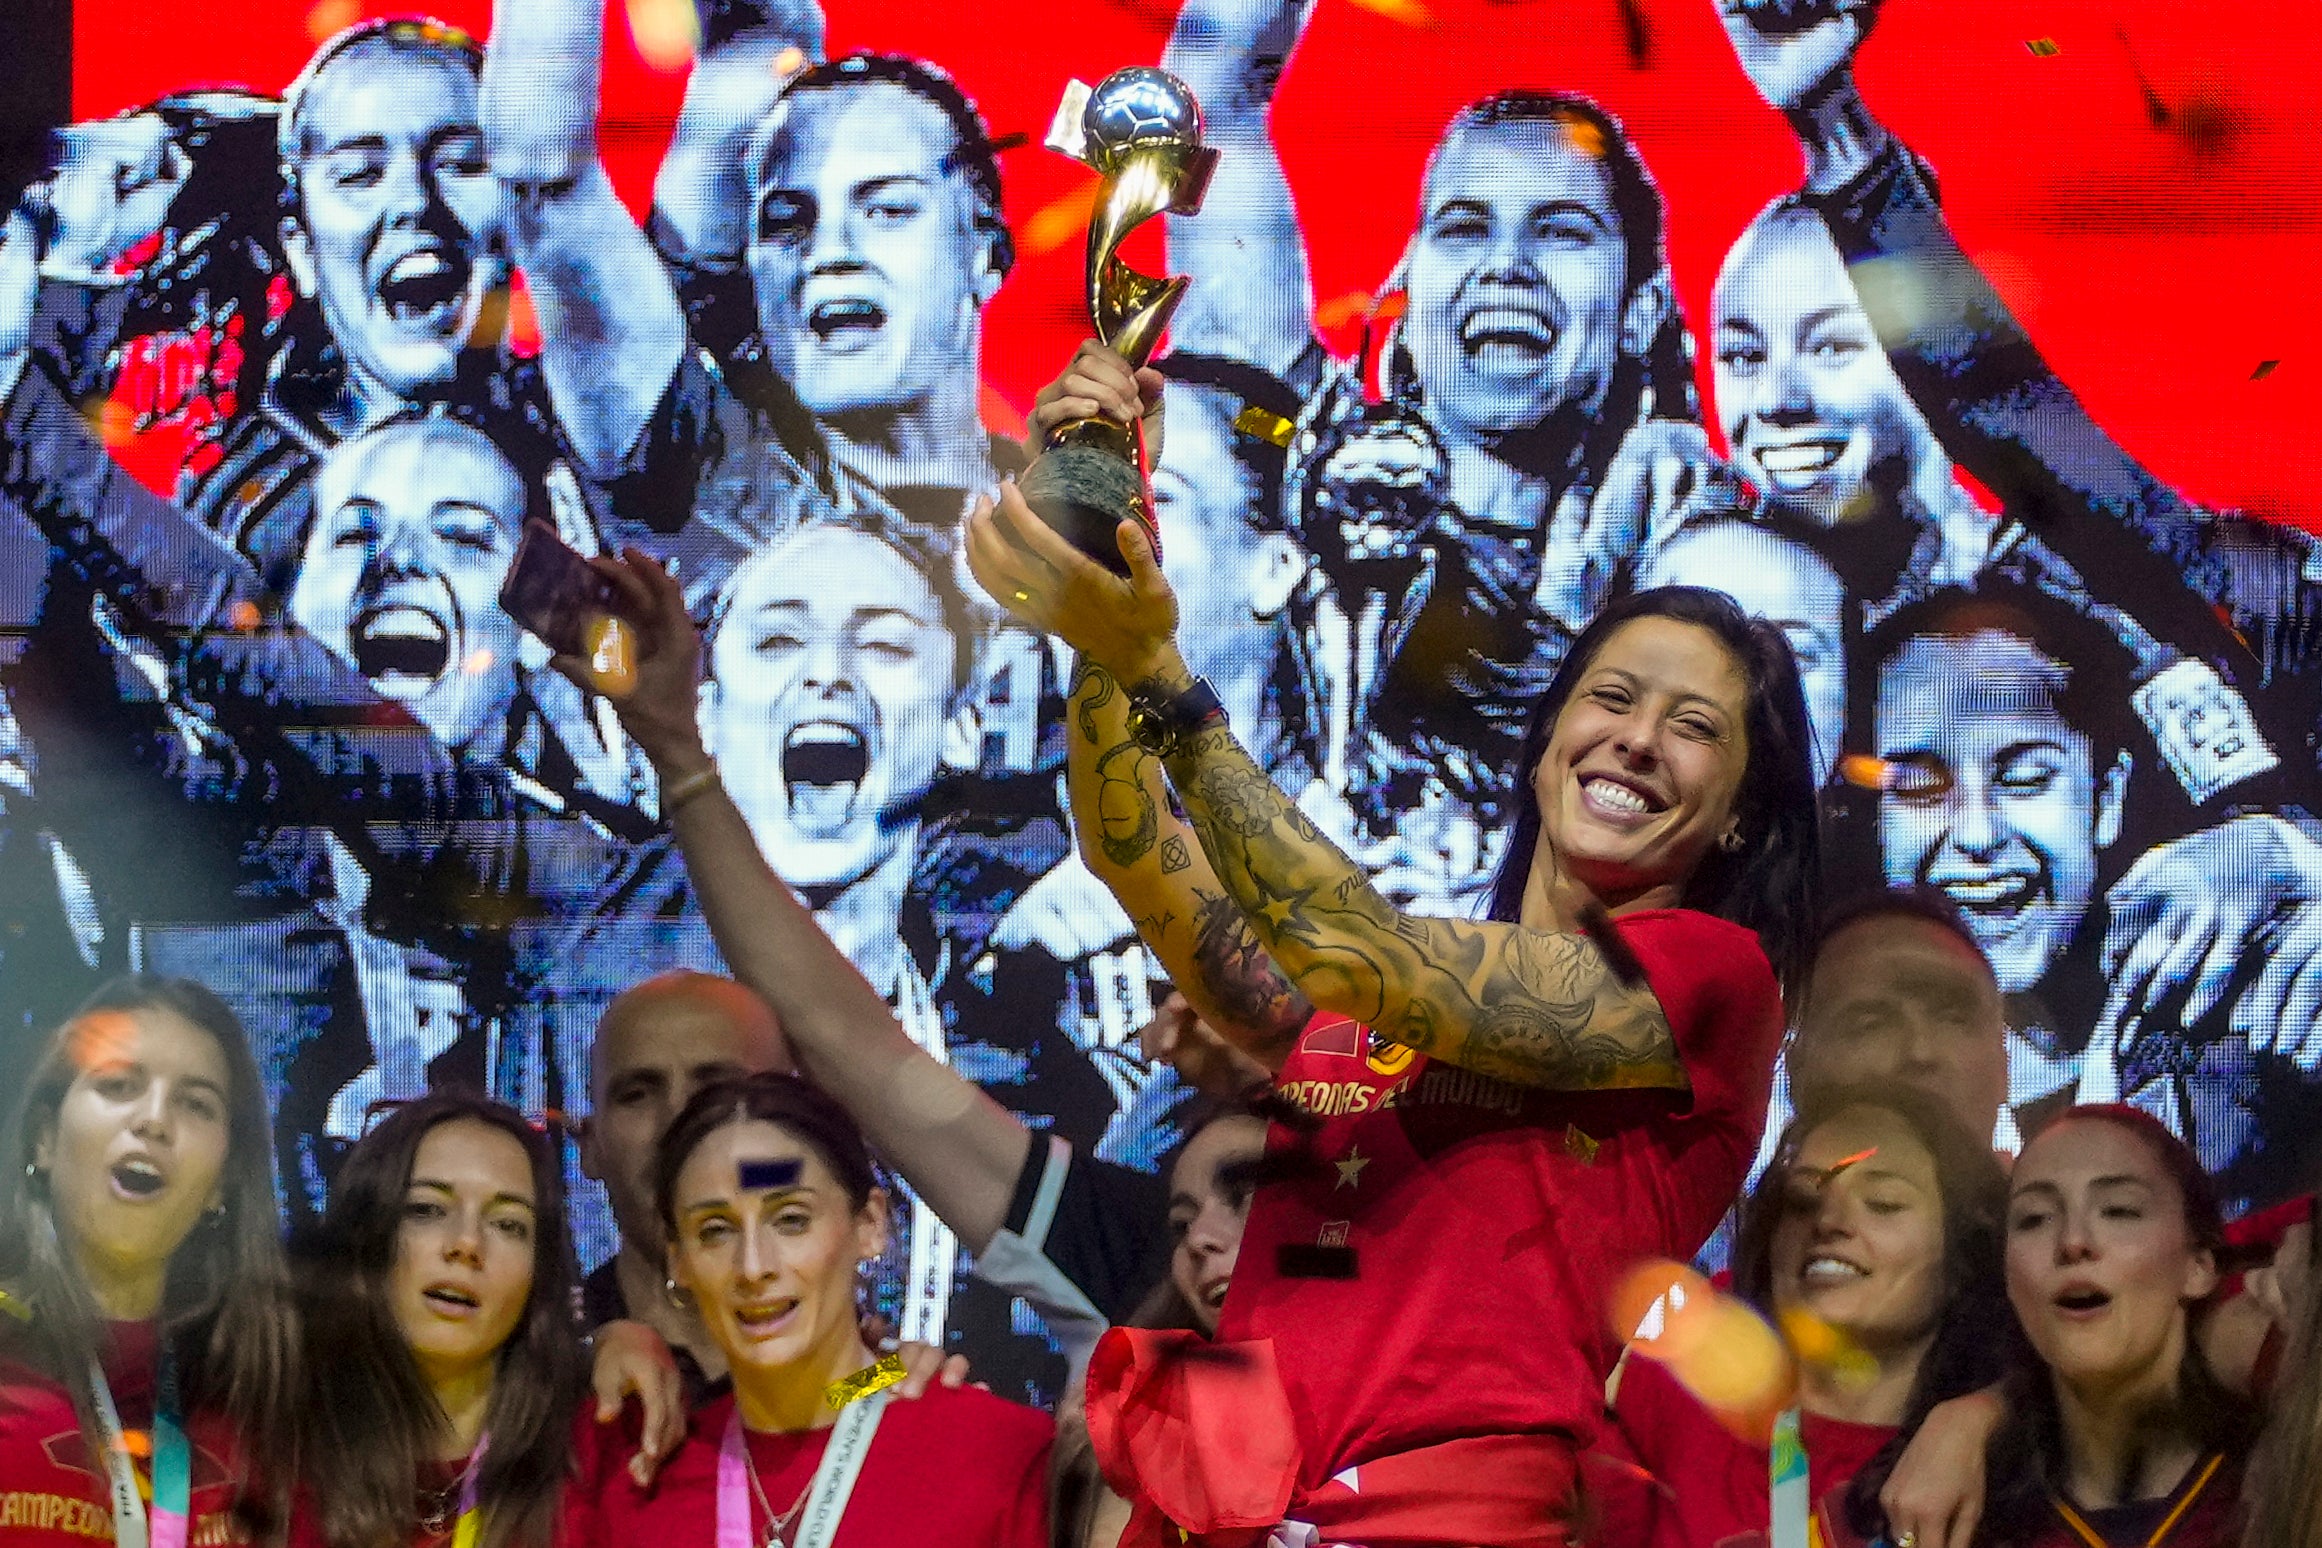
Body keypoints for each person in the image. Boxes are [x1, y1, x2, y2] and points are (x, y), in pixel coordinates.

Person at [972, 437, 1819, 1541]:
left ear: (1743, 811)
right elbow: (1134, 853)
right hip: (1237, 1501)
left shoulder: (1711, 976)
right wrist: (1103, 615)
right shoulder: (1367, 1014)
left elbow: (1355, 949)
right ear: (1546, 743)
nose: (1640, 740)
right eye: (1612, 698)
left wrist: (1165, 679)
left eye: (1697, 727)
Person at [568, 543, 1239, 1411]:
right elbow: (842, 1037)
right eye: (777, 643)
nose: (1212, 1239)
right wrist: (680, 761)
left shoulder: (1428, 1239)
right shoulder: (1127, 1244)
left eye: (883, 645)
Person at [1161, 0, 1735, 794]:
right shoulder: (1295, 466)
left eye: (1562, 230)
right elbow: (1203, 96)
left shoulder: (1697, 560)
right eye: (1463, 227)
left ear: (1641, 309)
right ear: (1407, 288)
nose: (1506, 267)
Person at [1865, 583, 2322, 1206]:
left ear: (2106, 799)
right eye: (1919, 787)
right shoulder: (1809, 1084)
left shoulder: (2247, 1009)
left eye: (2025, 778)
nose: (1976, 834)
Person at [571, 1071, 1051, 1544]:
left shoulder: (1000, 1457)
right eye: (716, 1229)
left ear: (869, 1224)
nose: (754, 1266)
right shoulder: (640, 1482)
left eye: (791, 1220)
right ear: (679, 1258)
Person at [1614, 1085, 2011, 1548]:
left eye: (1883, 1203)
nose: (1829, 1221)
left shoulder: (2002, 1469)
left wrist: (1987, 1415)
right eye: (1802, 1201)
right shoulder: (1690, 1359)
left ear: (1965, 1252)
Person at [0, 976, 298, 1546]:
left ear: (223, 1184)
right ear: (43, 1139)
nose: (154, 1120)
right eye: (117, 1084)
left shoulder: (267, 1394)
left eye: (195, 1103)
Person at [288, 1089, 586, 1548]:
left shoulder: (594, 1459)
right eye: (426, 1210)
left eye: (508, 1224)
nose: (466, 1244)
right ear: (366, 1236)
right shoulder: (271, 1447)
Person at [1977, 1106, 2255, 1546]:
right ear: (2009, 1278)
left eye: (2119, 1211)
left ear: (2199, 1265)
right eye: (2034, 1218)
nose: (2072, 1243)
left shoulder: (2277, 1485)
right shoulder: (1958, 1513)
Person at [577, 972, 792, 1393]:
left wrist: (917, 1394)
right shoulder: (537, 1372)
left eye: (720, 1088)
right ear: (590, 1144)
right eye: (637, 1094)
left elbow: (857, 1401)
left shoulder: (871, 1373)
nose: (677, 1121)